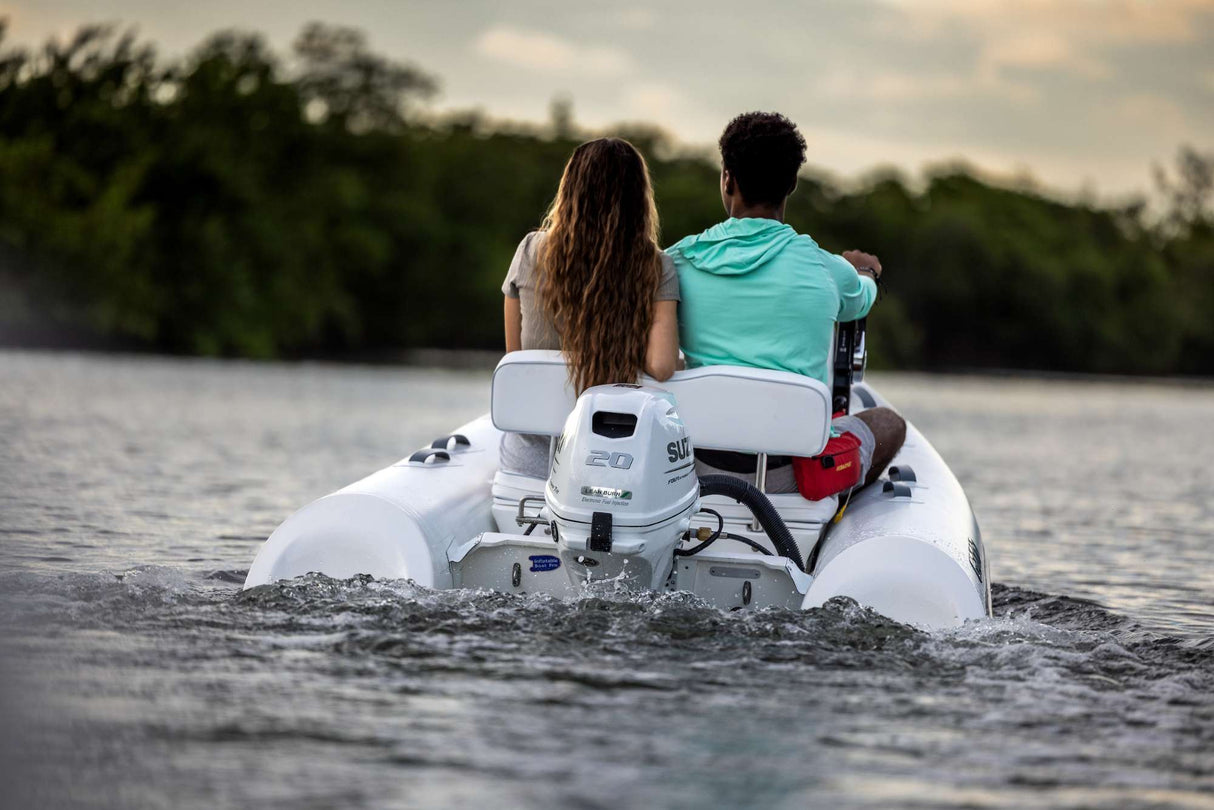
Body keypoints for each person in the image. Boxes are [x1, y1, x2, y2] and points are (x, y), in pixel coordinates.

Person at [666, 111, 906, 495]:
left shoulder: (674, 263)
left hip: (696, 468)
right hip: (793, 475)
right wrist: (867, 273)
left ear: (727, 178)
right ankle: (837, 518)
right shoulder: (827, 269)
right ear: (792, 183)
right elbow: (860, 301)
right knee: (890, 425)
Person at [500, 137, 681, 478]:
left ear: (570, 190)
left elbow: (515, 360)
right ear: (638, 199)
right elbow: (661, 365)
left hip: (531, 462)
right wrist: (617, 336)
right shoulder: (657, 266)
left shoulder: (529, 250)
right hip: (610, 462)